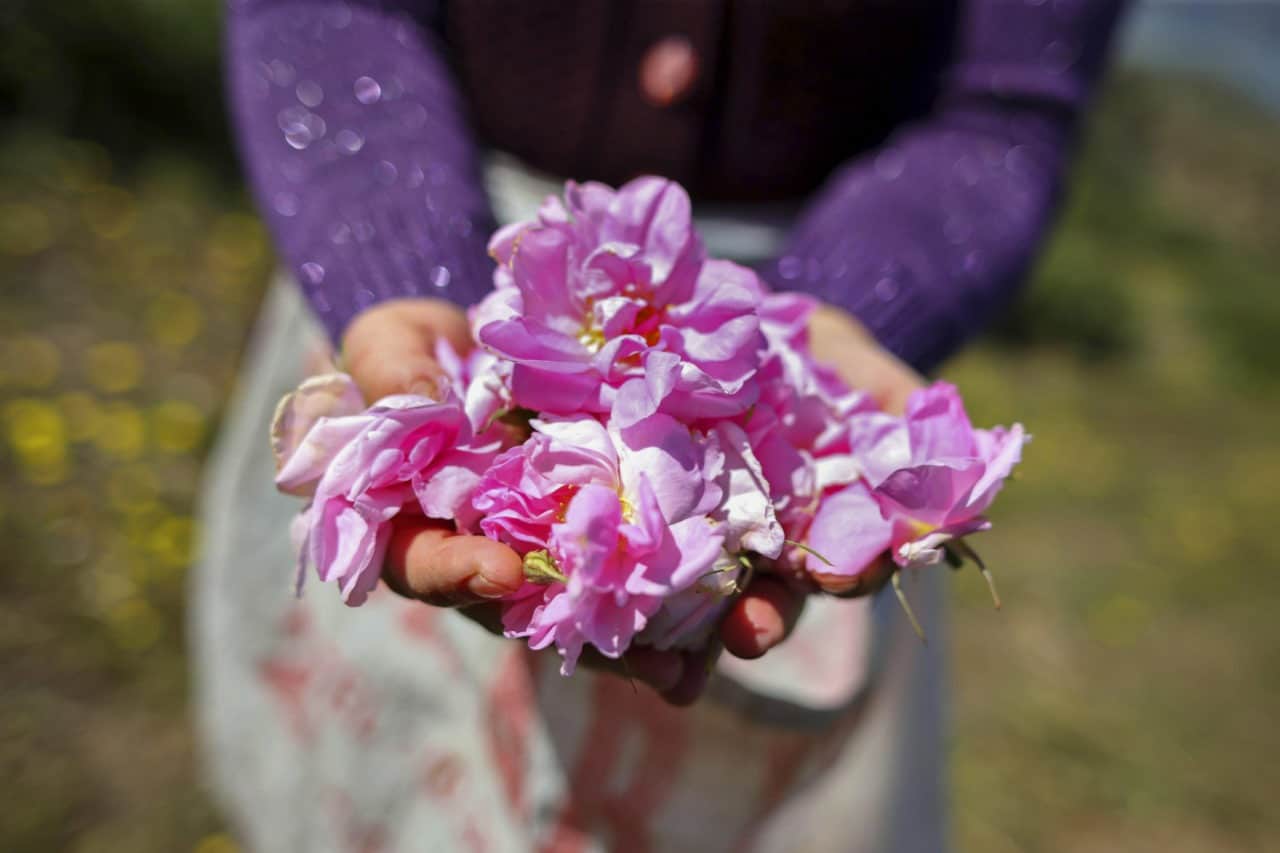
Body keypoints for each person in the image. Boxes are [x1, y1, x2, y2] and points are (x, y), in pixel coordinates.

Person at [197, 1, 1125, 850]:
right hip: (423, 248)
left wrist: (830, 322)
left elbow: (1002, 112)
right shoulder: (452, 303)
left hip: (813, 309)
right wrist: (396, 258)